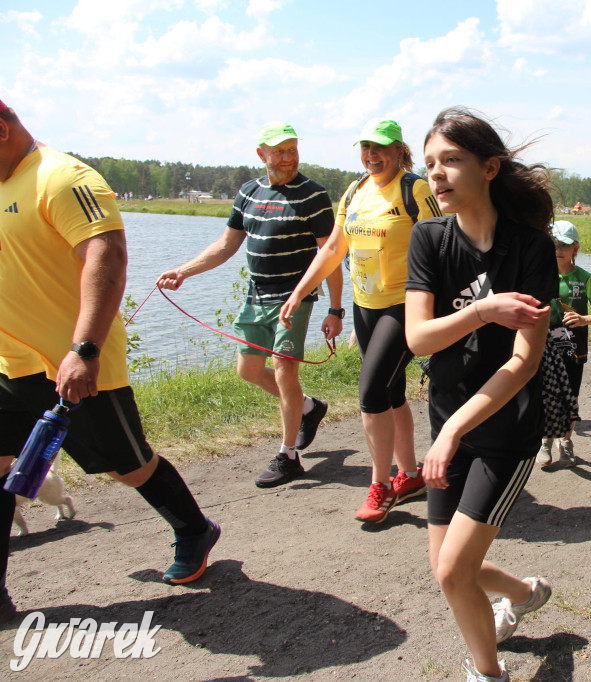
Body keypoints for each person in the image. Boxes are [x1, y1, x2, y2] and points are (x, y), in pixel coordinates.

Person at [0, 99, 221, 625]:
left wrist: (84, 349)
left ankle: (194, 528)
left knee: (128, 467)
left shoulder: (63, 178)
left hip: (74, 364)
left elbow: (108, 255)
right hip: (10, 363)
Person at [405, 107, 556, 682]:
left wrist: (453, 431)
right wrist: (484, 309)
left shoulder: (531, 249)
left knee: (451, 573)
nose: (436, 175)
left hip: (505, 429)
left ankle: (487, 674)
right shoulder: (429, 239)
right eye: (429, 165)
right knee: (447, 567)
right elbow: (419, 338)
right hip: (450, 417)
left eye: (451, 161)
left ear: (490, 168)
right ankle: (523, 592)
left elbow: (523, 363)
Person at [157, 122, 339, 488]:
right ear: (262, 154)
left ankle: (288, 456)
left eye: (292, 149)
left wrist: (335, 310)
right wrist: (183, 271)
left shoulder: (312, 195)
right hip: (257, 297)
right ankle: (307, 407)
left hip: (294, 298)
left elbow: (331, 254)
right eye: (280, 151)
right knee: (248, 371)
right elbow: (226, 246)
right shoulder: (248, 192)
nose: (288, 158)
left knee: (285, 370)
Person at [281, 119, 442, 523]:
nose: (372, 155)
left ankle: (381, 485)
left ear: (398, 149)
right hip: (365, 305)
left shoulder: (414, 189)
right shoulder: (355, 191)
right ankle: (408, 474)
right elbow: (336, 247)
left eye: (380, 148)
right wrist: (301, 291)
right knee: (390, 394)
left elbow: (444, 242)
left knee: (370, 392)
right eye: (365, 147)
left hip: (405, 305)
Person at [539, 220, 591, 469]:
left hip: (574, 347)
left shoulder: (585, 278)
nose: (558, 250)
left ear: (575, 248)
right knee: (546, 394)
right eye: (554, 244)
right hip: (544, 346)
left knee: (571, 397)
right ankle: (545, 440)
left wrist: (583, 319)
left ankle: (565, 442)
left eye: (564, 245)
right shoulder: (539, 274)